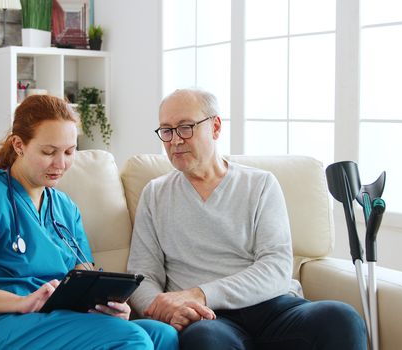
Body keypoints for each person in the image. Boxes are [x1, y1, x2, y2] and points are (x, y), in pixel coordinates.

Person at [0, 95, 178, 350]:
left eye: (69, 151)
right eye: (49, 152)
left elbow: (84, 277)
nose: (61, 164)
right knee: (132, 339)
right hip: (1, 321)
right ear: (19, 145)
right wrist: (19, 302)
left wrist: (110, 307)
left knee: (163, 335)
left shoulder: (65, 207)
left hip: (57, 317)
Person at [127, 88, 367, 350]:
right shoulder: (155, 194)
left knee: (341, 318)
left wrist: (200, 294)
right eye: (166, 130)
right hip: (209, 319)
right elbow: (142, 276)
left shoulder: (260, 184)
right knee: (205, 341)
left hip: (273, 307)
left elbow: (276, 267)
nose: (174, 140)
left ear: (215, 127)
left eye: (185, 127)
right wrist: (167, 309)